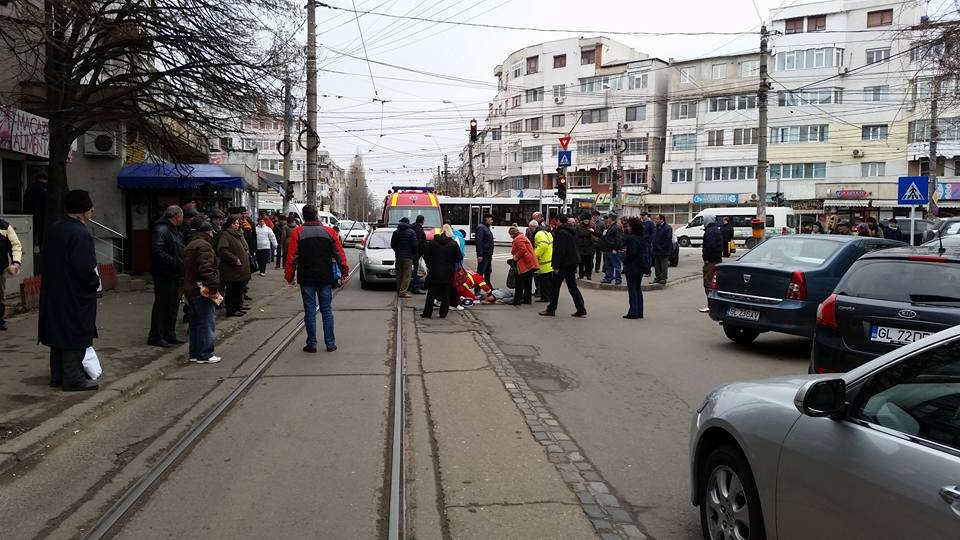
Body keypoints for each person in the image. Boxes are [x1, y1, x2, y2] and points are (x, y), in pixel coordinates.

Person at [38, 190, 100, 391]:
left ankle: (58, 375)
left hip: (54, 290)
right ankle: (73, 378)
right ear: (83, 211)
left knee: (58, 332)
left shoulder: (55, 229)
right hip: (75, 294)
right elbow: (85, 268)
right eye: (90, 207)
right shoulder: (80, 234)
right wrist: (94, 284)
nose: (92, 210)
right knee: (75, 332)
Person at [285, 204, 349, 353]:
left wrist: (289, 276)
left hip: (306, 277)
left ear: (303, 216)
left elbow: (292, 258)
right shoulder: (329, 232)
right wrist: (344, 272)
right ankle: (330, 343)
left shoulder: (298, 232)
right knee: (326, 310)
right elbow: (339, 254)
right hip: (324, 276)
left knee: (309, 310)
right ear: (316, 215)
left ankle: (312, 344)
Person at [183, 219, 221, 364]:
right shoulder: (204, 246)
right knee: (206, 322)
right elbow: (206, 268)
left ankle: (195, 353)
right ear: (208, 232)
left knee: (195, 323)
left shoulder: (191, 244)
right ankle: (205, 353)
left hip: (191, 288)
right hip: (202, 289)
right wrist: (213, 287)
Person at [148, 205, 185, 348]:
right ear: (177, 216)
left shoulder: (173, 230)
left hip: (174, 273)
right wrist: (175, 262)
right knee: (163, 305)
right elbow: (157, 251)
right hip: (164, 273)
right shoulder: (161, 229)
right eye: (182, 216)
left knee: (172, 305)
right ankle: (156, 336)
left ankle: (169, 334)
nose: (183, 219)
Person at [540, 214, 586, 318]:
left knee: (555, 287)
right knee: (572, 286)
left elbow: (559, 251)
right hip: (573, 261)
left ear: (558, 221)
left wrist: (555, 266)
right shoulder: (572, 230)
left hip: (564, 263)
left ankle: (551, 309)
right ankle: (581, 308)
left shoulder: (561, 232)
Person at [421, 225, 462, 319]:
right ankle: (443, 313)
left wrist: (430, 265)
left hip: (435, 271)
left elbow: (426, 256)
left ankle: (427, 313)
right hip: (448, 272)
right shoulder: (453, 244)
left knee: (431, 294)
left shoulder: (432, 243)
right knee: (446, 294)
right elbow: (459, 257)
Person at [217, 215, 252, 317]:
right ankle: (231, 309)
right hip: (232, 268)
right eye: (234, 223)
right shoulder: (226, 234)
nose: (236, 225)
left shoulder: (238, 233)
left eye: (237, 223)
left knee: (239, 288)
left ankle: (238, 306)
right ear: (229, 224)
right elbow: (222, 249)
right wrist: (234, 259)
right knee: (232, 289)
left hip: (241, 268)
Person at [623, 217, 652, 319]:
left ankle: (633, 312)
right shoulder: (641, 238)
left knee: (632, 289)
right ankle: (639, 311)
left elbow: (632, 253)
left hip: (632, 266)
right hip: (641, 266)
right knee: (637, 288)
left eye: (629, 226)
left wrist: (625, 259)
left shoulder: (631, 238)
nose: (628, 228)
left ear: (632, 227)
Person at [0, 217, 24, 330]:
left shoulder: (4, 226)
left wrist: (16, 262)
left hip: (0, 269)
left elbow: (15, 246)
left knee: (0, 295)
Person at [509, 224, 538, 305]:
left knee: (520, 282)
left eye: (510, 234)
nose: (510, 236)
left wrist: (516, 257)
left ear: (513, 233)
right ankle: (527, 299)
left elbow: (522, 249)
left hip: (525, 264)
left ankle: (517, 300)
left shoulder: (518, 239)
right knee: (528, 282)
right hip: (531, 263)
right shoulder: (522, 237)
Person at [390, 217, 419, 298]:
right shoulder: (411, 232)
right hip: (408, 257)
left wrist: (397, 251)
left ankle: (399, 290)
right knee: (406, 275)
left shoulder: (396, 232)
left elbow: (392, 244)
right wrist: (413, 253)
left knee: (399, 274)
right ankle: (403, 292)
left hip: (398, 256)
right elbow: (415, 245)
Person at [700, 215, 723, 313]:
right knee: (714, 283)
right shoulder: (715, 229)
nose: (703, 222)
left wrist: (706, 258)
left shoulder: (710, 231)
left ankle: (711, 305)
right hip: (716, 259)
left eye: (703, 220)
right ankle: (715, 305)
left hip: (711, 261)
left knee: (708, 282)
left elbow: (710, 246)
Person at [22, 173, 48, 247]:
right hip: (41, 214)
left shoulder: (30, 187)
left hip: (30, 214)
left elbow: (27, 201)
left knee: (31, 233)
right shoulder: (44, 188)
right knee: (41, 233)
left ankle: (31, 248)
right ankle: (41, 248)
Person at [599, 214, 624, 285]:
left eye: (608, 218)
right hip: (608, 249)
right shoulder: (611, 226)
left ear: (611, 219)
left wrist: (615, 248)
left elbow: (618, 239)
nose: (607, 219)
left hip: (613, 249)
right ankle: (608, 277)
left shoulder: (616, 227)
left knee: (616, 265)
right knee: (608, 265)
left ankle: (618, 279)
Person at [533, 220, 553, 303]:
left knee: (544, 282)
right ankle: (548, 296)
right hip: (549, 261)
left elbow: (543, 246)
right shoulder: (548, 234)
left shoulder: (539, 234)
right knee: (548, 282)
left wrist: (535, 255)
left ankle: (545, 297)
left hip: (543, 262)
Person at [651, 214, 672, 285]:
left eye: (657, 219)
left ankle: (663, 278)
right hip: (656, 250)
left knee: (663, 265)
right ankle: (658, 277)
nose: (655, 220)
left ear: (662, 219)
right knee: (657, 265)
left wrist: (661, 247)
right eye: (655, 219)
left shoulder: (667, 228)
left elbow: (668, 240)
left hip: (664, 250)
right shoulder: (655, 227)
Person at [475, 213, 495, 285]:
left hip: (488, 254)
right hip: (484, 254)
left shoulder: (486, 228)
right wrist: (480, 255)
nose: (492, 221)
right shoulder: (481, 228)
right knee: (480, 272)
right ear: (487, 219)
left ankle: (488, 287)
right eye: (491, 219)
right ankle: (477, 289)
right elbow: (479, 242)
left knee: (488, 271)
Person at [576, 213, 597, 280]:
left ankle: (588, 275)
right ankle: (581, 275)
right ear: (582, 220)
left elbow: (597, 234)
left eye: (587, 219)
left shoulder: (592, 226)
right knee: (581, 262)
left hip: (589, 246)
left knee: (589, 262)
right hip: (581, 246)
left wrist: (593, 232)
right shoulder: (578, 226)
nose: (586, 221)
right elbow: (577, 235)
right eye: (585, 219)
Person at [411, 215, 427, 295]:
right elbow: (419, 242)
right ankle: (416, 287)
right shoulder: (419, 229)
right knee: (417, 270)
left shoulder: (413, 227)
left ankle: (414, 286)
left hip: (412, 252)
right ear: (422, 221)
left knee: (416, 270)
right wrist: (422, 251)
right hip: (417, 252)